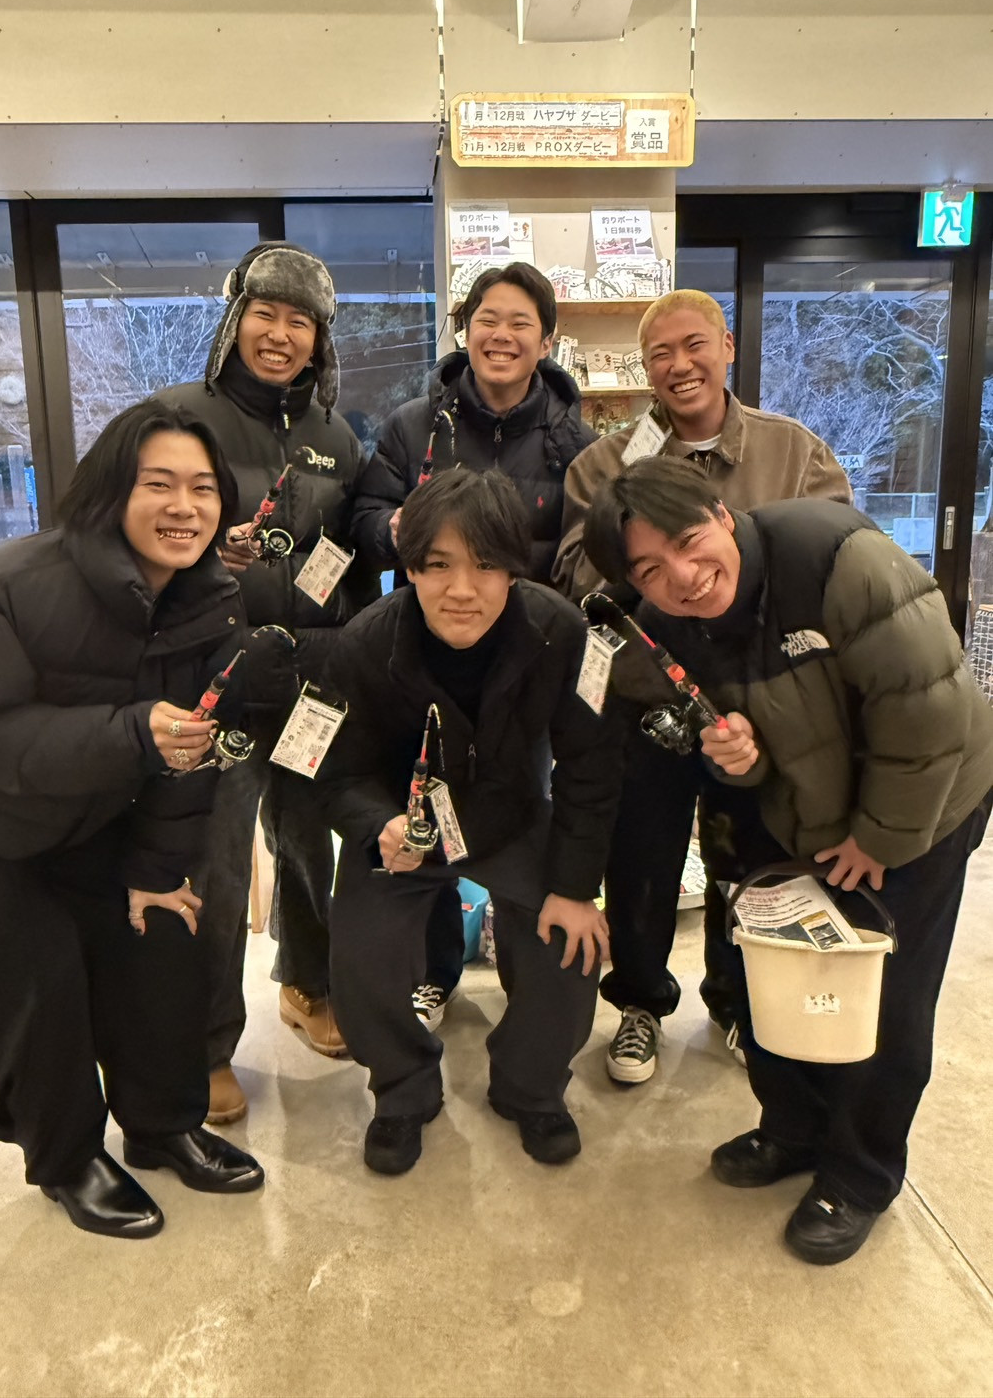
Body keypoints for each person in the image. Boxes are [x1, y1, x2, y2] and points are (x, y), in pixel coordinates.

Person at [583, 456, 993, 1264]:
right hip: (809, 806)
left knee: (883, 995)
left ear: (722, 515)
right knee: (772, 973)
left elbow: (931, 713)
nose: (683, 578)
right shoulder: (666, 629)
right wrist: (741, 757)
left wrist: (879, 838)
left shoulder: (834, 558)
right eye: (651, 570)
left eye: (689, 543)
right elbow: (751, 740)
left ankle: (861, 1172)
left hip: (925, 804)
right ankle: (794, 1129)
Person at [0, 399, 268, 1240]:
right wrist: (130, 734)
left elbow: (189, 749)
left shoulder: (211, 602)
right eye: (158, 483)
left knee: (158, 934)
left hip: (93, 790)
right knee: (38, 969)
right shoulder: (6, 584)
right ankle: (66, 1156)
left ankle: (163, 1123)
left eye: (203, 488)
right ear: (110, 489)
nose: (184, 506)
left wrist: (155, 870)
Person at [552, 289, 851, 1086]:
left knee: (748, 853)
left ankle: (736, 1000)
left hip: (760, 704)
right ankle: (640, 1001)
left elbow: (830, 563)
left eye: (694, 345)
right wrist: (651, 547)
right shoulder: (605, 462)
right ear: (644, 367)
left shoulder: (794, 451)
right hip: (644, 698)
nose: (679, 365)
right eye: (660, 353)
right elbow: (577, 579)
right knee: (640, 855)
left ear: (727, 346)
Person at [321, 469, 624, 1176]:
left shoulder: (563, 633)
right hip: (406, 829)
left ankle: (531, 1087)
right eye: (438, 565)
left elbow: (593, 768)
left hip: (511, 816)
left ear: (516, 568)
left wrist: (575, 887)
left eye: (486, 565)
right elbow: (331, 769)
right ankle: (402, 1091)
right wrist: (377, 824)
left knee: (569, 946)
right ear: (410, 569)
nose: (462, 589)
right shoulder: (362, 644)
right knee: (360, 954)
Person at [160, 242, 378, 1119]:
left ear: (320, 339)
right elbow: (132, 536)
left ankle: (307, 983)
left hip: (310, 676)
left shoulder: (335, 437)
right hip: (214, 675)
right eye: (266, 313)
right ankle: (208, 1040)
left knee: (308, 844)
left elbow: (351, 560)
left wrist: (353, 654)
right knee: (214, 862)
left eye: (301, 321)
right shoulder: (180, 418)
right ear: (234, 319)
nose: (280, 334)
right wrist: (208, 553)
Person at [351, 262, 595, 1029]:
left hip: (528, 656)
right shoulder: (413, 423)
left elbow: (586, 545)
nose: (502, 334)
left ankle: (525, 970)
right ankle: (436, 970)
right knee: (422, 802)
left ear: (547, 340)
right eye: (488, 318)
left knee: (520, 804)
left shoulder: (574, 439)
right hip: (429, 653)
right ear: (465, 329)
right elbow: (366, 514)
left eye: (522, 322)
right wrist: (395, 530)